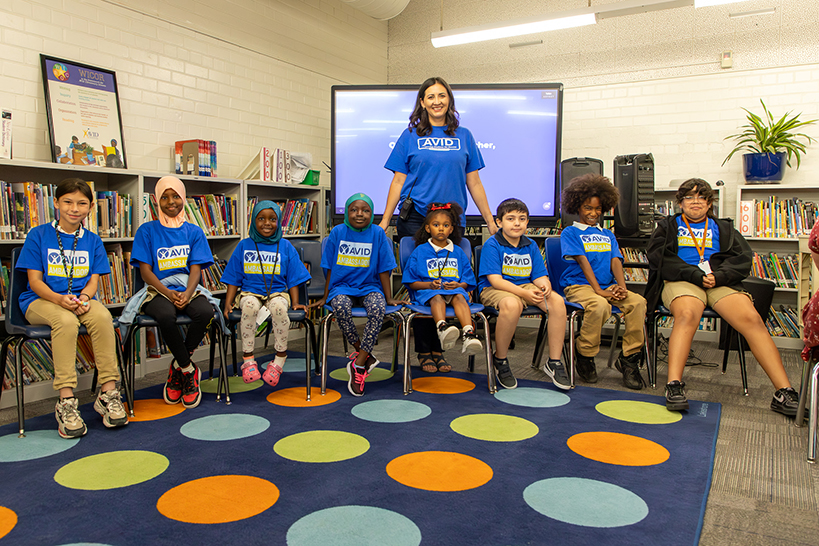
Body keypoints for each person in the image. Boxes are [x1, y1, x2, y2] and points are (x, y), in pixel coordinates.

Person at [645, 178, 799, 415]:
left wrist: (720, 276)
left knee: (752, 318)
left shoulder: (724, 227)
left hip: (718, 281)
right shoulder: (667, 227)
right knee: (687, 314)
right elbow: (659, 259)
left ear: (709, 203)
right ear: (680, 203)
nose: (695, 202)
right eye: (689, 197)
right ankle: (674, 385)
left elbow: (742, 259)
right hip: (682, 280)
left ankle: (783, 391)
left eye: (701, 197)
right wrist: (694, 274)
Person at [378, 76, 496, 373]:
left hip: (452, 220)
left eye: (441, 96)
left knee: (449, 278)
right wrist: (384, 220)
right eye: (430, 96)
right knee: (423, 282)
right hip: (417, 218)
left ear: (449, 100)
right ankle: (426, 351)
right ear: (422, 102)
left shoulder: (464, 136)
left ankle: (441, 346)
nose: (436, 101)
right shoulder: (410, 135)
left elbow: (474, 181)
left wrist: (490, 220)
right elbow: (398, 180)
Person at [16, 178, 127, 438]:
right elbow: (34, 281)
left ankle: (108, 393)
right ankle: (66, 401)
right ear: (56, 203)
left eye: (81, 203)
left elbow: (93, 281)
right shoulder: (38, 235)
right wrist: (59, 299)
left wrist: (86, 298)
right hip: (40, 300)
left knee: (102, 317)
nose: (74, 208)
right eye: (67, 201)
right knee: (66, 322)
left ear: (90, 208)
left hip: (79, 300)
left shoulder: (92, 240)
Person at [127, 176, 215, 409]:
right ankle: (188, 370)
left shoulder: (194, 232)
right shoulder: (146, 231)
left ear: (183, 198)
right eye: (164, 197)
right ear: (156, 201)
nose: (170, 202)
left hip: (188, 288)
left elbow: (196, 270)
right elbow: (145, 272)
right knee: (166, 316)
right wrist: (166, 292)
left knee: (205, 312)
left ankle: (177, 366)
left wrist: (187, 293)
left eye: (175, 196)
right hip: (157, 290)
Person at [313, 193, 405, 396]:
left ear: (372, 213)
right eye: (354, 210)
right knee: (340, 307)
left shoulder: (378, 234)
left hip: (369, 286)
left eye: (365, 210)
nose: (359, 214)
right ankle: (363, 352)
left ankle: (360, 363)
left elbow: (384, 269)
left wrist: (388, 298)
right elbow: (328, 267)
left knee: (378, 308)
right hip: (341, 287)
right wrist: (325, 295)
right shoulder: (337, 232)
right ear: (346, 212)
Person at [560, 174, 647, 389]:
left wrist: (622, 288)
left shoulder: (607, 234)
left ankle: (629, 359)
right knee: (598, 305)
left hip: (608, 286)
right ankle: (585, 354)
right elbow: (582, 261)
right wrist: (599, 291)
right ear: (577, 207)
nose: (593, 213)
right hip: (579, 285)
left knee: (638, 303)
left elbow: (616, 261)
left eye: (598, 209)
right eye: (588, 208)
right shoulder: (570, 232)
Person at [479, 198, 568, 390]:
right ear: (499, 222)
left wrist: (544, 285)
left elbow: (539, 275)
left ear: (527, 222)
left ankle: (554, 362)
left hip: (525, 286)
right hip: (495, 289)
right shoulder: (492, 245)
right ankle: (500, 360)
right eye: (511, 219)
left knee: (557, 302)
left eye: (522, 218)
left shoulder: (531, 246)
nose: (517, 223)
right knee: (513, 304)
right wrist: (524, 294)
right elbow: (495, 280)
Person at [221, 201, 310, 387]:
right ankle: (248, 360)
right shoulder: (244, 245)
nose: (266, 223)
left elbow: (293, 278)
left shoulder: (285, 246)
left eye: (272, 219)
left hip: (277, 293)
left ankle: (279, 359)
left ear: (278, 222)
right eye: (261, 219)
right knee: (249, 307)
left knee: (278, 309)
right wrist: (228, 303)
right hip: (249, 292)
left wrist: (295, 302)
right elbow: (233, 278)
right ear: (253, 221)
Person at [403, 202, 482, 371]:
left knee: (460, 295)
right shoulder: (420, 251)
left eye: (445, 225)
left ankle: (468, 333)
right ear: (427, 228)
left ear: (452, 229)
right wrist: (429, 284)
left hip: (453, 291)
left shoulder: (458, 252)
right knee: (436, 297)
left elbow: (468, 280)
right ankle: (442, 328)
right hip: (429, 292)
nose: (441, 229)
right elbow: (410, 281)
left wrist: (459, 284)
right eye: (436, 225)